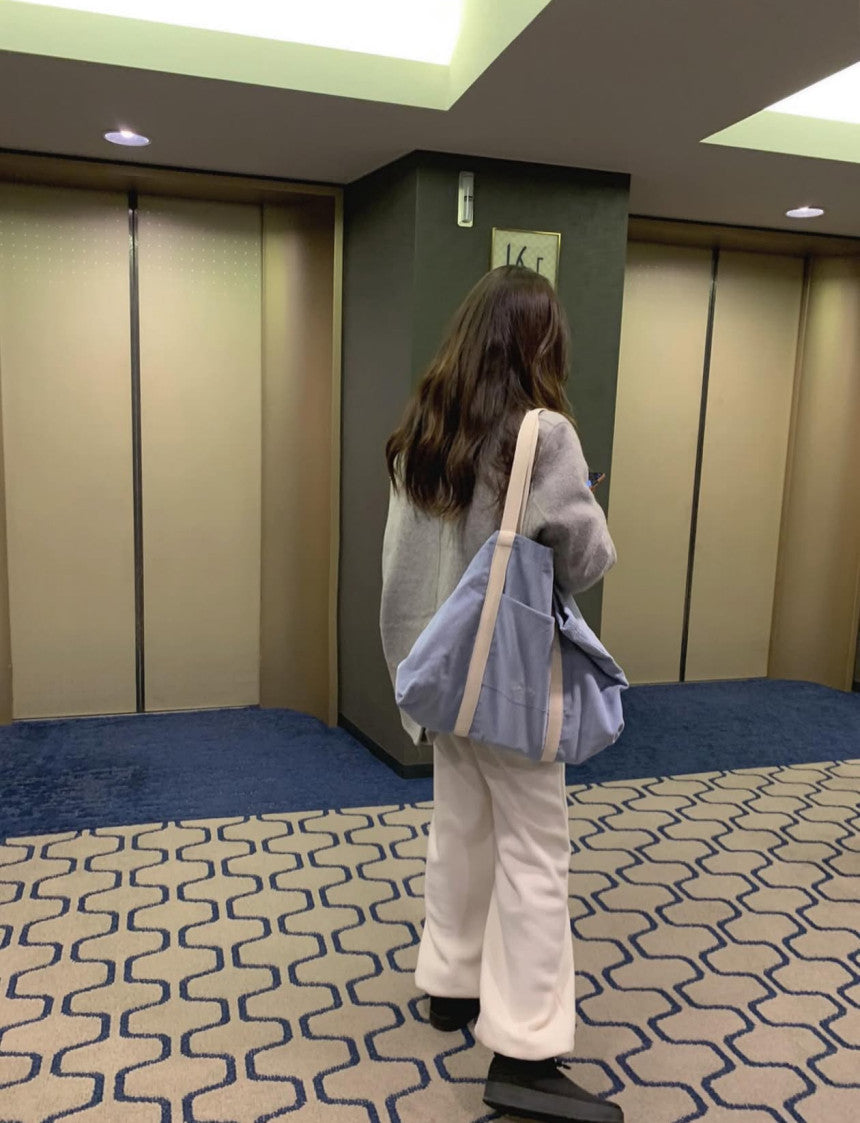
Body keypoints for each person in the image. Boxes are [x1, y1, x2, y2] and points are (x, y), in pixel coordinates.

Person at [380, 265, 623, 1123]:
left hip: (441, 668)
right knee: (535, 849)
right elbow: (586, 560)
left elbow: (404, 566)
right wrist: (580, 499)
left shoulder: (423, 431)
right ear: (536, 343)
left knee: (461, 823)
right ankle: (523, 1050)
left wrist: (412, 668)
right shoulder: (542, 435)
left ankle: (451, 980)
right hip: (512, 682)